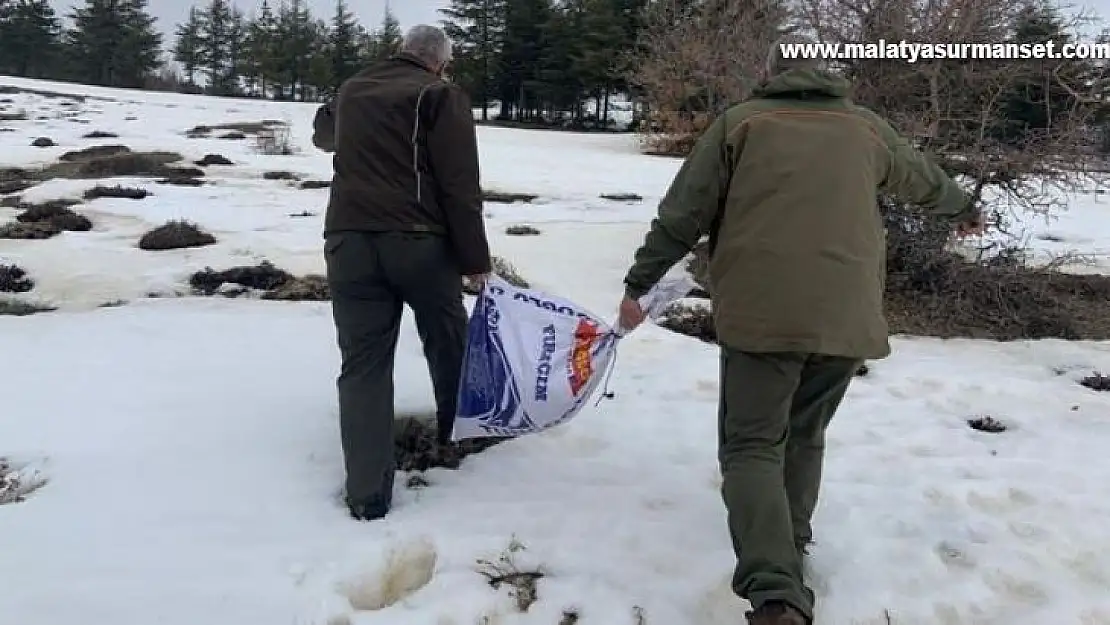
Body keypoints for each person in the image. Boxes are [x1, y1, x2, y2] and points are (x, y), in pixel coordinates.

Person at [616, 36, 981, 625]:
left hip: (763, 317)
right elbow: (922, 179)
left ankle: (776, 590)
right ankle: (792, 546)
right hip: (845, 316)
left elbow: (684, 212)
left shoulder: (742, 124)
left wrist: (640, 282)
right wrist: (962, 208)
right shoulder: (866, 129)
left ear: (770, 75)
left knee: (753, 444)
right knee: (805, 433)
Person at [312, 25, 491, 522]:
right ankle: (466, 441)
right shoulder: (440, 96)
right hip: (418, 243)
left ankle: (367, 496)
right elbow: (459, 185)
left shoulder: (353, 89)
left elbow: (322, 133)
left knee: (363, 365)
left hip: (348, 242)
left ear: (401, 51)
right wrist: (475, 260)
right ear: (440, 62)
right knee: (447, 336)